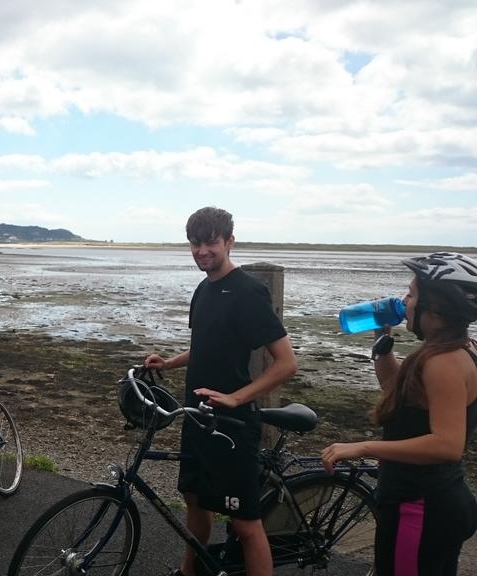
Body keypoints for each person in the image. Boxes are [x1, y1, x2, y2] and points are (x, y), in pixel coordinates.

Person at [144, 207, 298, 576]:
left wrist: (238, 397)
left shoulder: (248, 292)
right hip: (196, 416)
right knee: (195, 502)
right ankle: (189, 571)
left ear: (229, 241)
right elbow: (206, 346)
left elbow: (287, 362)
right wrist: (167, 364)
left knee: (245, 523)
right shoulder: (204, 289)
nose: (202, 251)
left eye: (211, 242)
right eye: (195, 244)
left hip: (232, 425)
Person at [322, 252, 477, 575]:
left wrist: (363, 447)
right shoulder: (455, 348)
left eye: (411, 294)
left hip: (420, 505)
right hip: (429, 500)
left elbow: (447, 445)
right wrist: (382, 339)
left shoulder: (443, 363)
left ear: (436, 308)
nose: (403, 300)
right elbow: (397, 390)